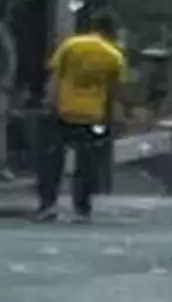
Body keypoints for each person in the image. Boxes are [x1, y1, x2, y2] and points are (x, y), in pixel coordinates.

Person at [34, 11, 126, 222]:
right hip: (92, 115)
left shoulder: (71, 45)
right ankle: (82, 208)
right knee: (87, 165)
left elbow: (56, 77)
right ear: (110, 31)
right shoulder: (114, 55)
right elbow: (115, 90)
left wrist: (49, 102)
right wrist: (116, 117)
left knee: (51, 162)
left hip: (63, 111)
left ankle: (48, 205)